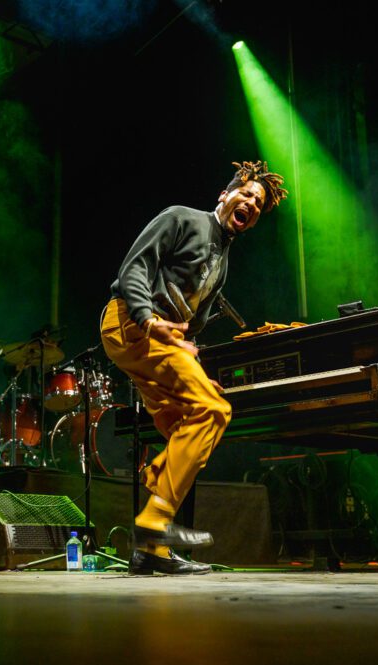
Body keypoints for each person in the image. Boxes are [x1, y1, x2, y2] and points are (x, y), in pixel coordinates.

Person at [100, 161, 288, 575]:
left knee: (189, 433)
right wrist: (149, 319)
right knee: (214, 412)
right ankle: (153, 520)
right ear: (225, 194)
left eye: (258, 205)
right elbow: (134, 268)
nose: (251, 204)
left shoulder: (222, 263)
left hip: (161, 340)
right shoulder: (181, 217)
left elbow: (191, 324)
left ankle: (152, 551)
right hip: (130, 322)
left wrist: (189, 352)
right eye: (246, 194)